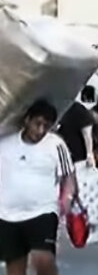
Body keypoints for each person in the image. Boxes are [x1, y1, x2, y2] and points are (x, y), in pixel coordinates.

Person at [0, 100, 75, 275]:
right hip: (7, 214)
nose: (41, 131)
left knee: (43, 259)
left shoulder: (56, 145)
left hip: (43, 212)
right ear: (27, 120)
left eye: (46, 126)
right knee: (15, 268)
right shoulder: (5, 142)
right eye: (37, 124)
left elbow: (69, 176)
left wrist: (68, 198)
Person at [57, 98, 96, 168]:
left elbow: (87, 134)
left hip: (77, 157)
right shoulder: (60, 108)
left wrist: (89, 154)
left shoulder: (78, 109)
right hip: (63, 154)